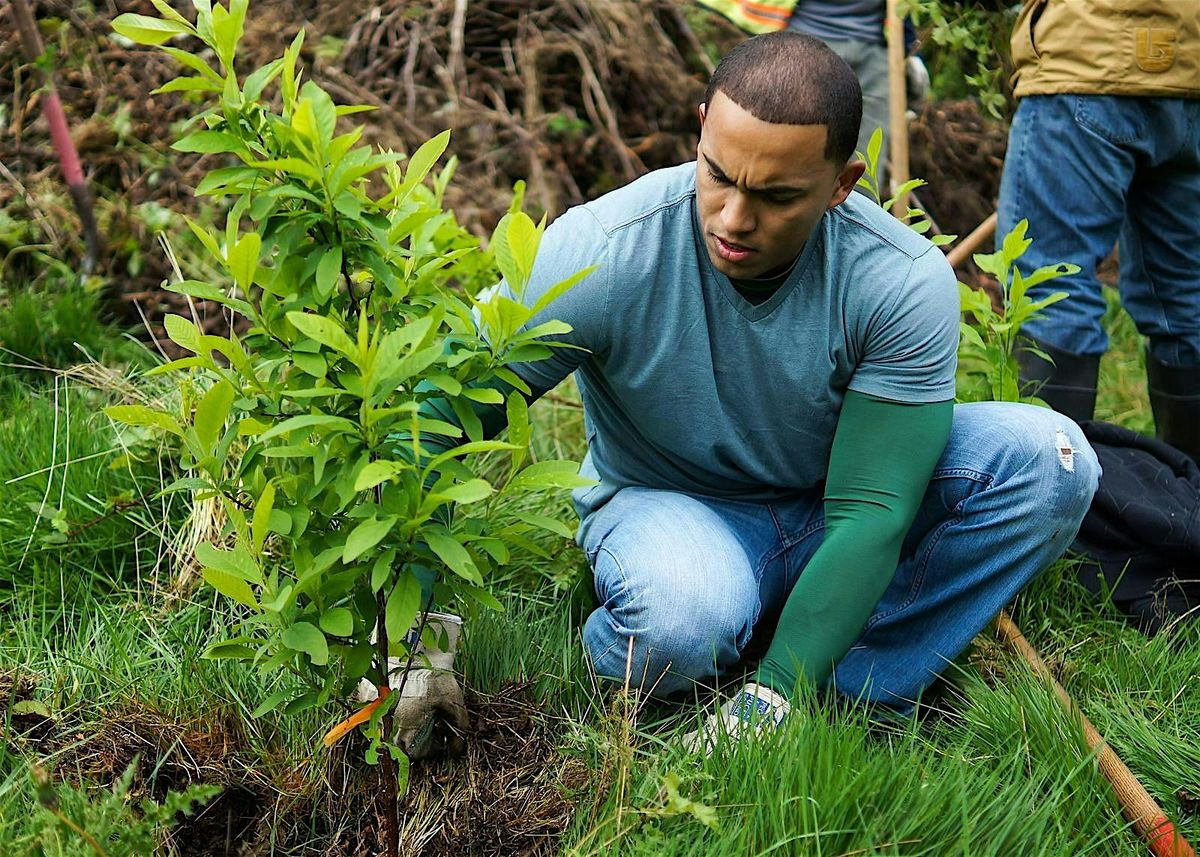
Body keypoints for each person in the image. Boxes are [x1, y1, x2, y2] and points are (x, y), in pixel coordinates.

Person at [388, 31, 1100, 749]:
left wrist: (772, 698)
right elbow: (435, 413)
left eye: (777, 196)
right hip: (676, 505)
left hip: (834, 503)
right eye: (718, 174)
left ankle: (846, 683)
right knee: (676, 623)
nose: (732, 218)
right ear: (701, 127)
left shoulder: (898, 280)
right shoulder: (605, 249)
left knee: (1054, 459)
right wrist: (413, 644)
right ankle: (725, 629)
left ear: (842, 183)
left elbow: (872, 510)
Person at [998, 0, 1200, 459]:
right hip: (1187, 75)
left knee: (1050, 287)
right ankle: (1190, 505)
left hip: (1086, 61)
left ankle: (1049, 507)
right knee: (1187, 301)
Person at [697, 0, 928, 190]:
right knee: (785, 161)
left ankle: (850, 238)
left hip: (877, 47)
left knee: (866, 168)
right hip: (804, 39)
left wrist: (909, 45)